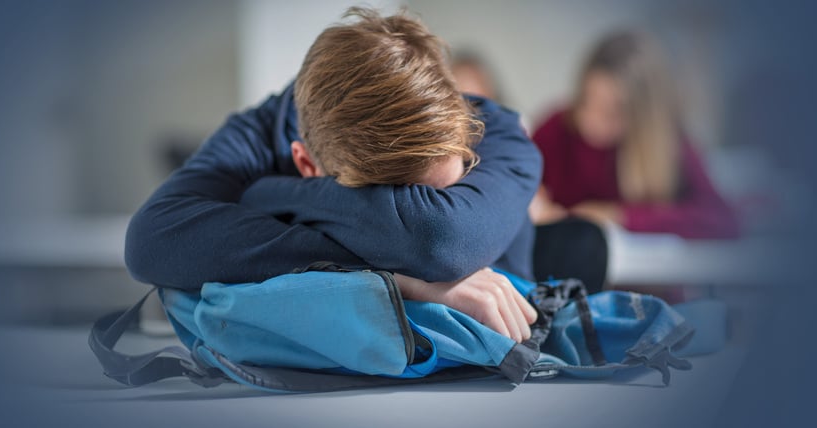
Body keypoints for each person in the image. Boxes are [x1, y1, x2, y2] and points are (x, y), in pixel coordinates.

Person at [125, 8, 542, 342]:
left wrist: (271, 195)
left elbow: (440, 241)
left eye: (449, 193)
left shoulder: (495, 130)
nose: (420, 211)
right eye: (385, 204)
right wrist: (396, 280)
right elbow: (150, 242)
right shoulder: (256, 136)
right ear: (307, 164)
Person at [528, 30, 740, 293]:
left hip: (650, 297)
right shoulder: (555, 128)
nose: (592, 121)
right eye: (587, 102)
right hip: (568, 294)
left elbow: (723, 221)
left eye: (613, 110)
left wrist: (619, 216)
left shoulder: (668, 144)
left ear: (644, 115)